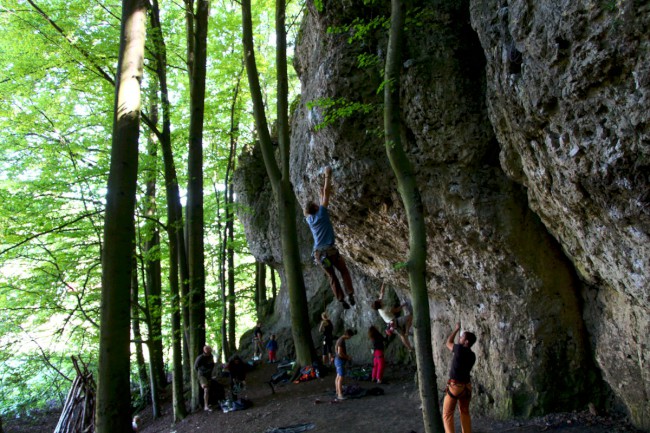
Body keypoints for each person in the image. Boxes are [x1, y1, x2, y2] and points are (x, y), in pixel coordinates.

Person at [304, 166, 356, 310]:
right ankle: (350, 293)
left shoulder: (309, 220)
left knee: (332, 277)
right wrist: (327, 175)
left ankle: (341, 299)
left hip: (319, 255)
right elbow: (327, 193)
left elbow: (313, 207)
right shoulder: (322, 213)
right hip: (330, 251)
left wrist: (320, 199)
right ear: (317, 208)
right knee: (343, 271)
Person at [443, 323, 477, 433]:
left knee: (447, 414)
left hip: (455, 387)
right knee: (465, 412)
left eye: (462, 337)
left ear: (466, 342)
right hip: (466, 387)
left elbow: (448, 342)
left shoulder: (459, 350)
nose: (460, 338)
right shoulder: (472, 355)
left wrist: (456, 329)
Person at [371, 282, 413, 350]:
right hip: (395, 322)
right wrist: (404, 304)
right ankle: (407, 331)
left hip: (391, 326)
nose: (379, 299)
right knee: (410, 317)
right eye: (378, 301)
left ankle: (410, 348)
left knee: (402, 336)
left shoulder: (379, 308)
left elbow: (382, 292)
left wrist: (384, 283)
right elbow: (396, 310)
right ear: (379, 303)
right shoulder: (385, 309)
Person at [194, 345, 215, 411]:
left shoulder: (211, 356)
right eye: (207, 349)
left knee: (208, 389)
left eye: (209, 349)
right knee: (205, 388)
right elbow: (195, 367)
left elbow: (212, 365)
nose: (209, 350)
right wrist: (201, 373)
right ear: (204, 350)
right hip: (202, 375)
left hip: (208, 375)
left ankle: (208, 403)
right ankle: (205, 406)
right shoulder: (200, 357)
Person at [334, 329, 353, 401]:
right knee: (341, 377)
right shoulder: (341, 341)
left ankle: (337, 391)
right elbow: (340, 353)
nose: (349, 338)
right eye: (350, 337)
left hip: (337, 360)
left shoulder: (340, 339)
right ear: (348, 335)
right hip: (339, 361)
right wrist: (347, 357)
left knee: (338, 376)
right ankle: (340, 395)